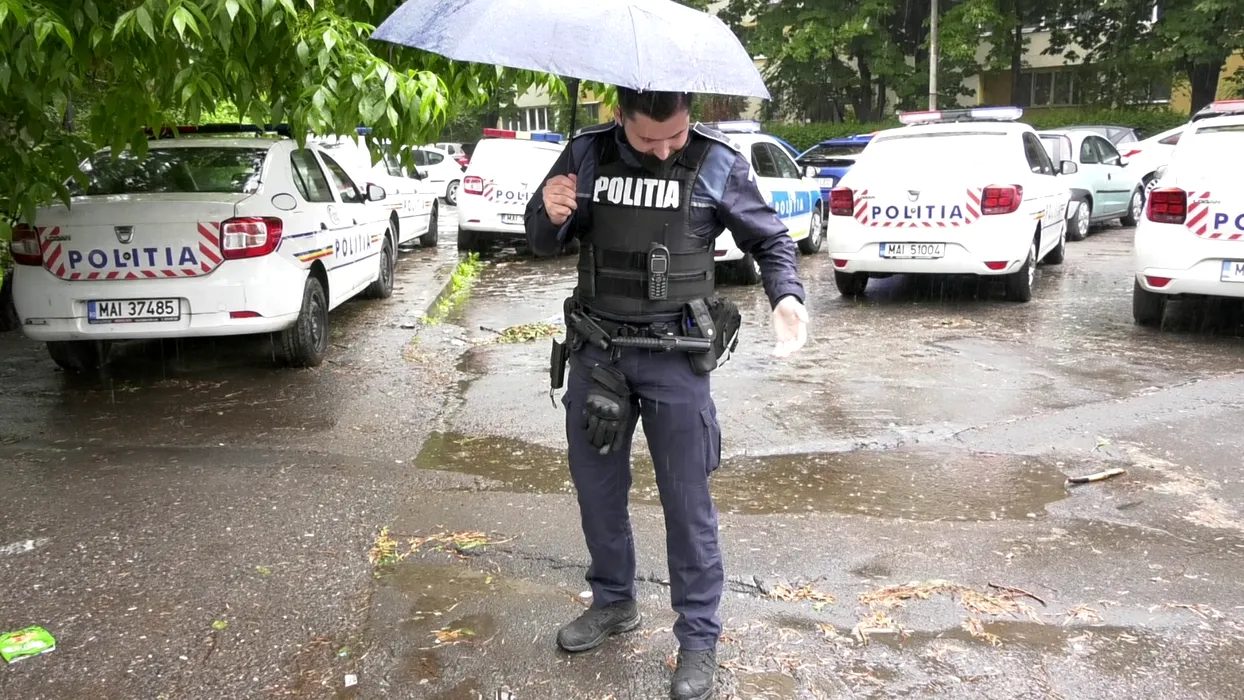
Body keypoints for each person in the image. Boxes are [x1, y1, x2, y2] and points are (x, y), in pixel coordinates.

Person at [524, 87, 809, 700]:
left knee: (687, 503)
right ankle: (613, 601)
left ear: (690, 119)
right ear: (619, 117)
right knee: (598, 493)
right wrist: (547, 212)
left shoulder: (716, 161)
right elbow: (542, 241)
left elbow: (770, 240)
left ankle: (699, 638)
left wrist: (785, 294)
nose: (662, 150)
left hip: (677, 357)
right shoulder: (586, 154)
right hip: (598, 353)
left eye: (675, 135)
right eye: (647, 138)